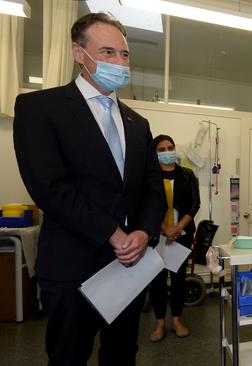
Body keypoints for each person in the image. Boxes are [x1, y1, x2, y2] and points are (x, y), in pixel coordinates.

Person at [13, 13, 165, 366]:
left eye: (124, 55)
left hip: (129, 264)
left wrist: (144, 231)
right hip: (72, 265)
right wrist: (111, 233)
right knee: (69, 356)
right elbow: (48, 186)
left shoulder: (137, 123)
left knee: (122, 354)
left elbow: (153, 189)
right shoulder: (40, 108)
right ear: (79, 54)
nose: (119, 63)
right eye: (108, 52)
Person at [149, 134, 200, 342]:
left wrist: (177, 228)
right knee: (158, 281)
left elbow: (195, 204)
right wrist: (164, 228)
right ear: (155, 153)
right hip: (156, 236)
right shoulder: (149, 176)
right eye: (161, 149)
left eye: (170, 147)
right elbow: (145, 205)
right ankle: (160, 323)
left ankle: (177, 320)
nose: (167, 151)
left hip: (182, 235)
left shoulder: (187, 174)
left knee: (179, 280)